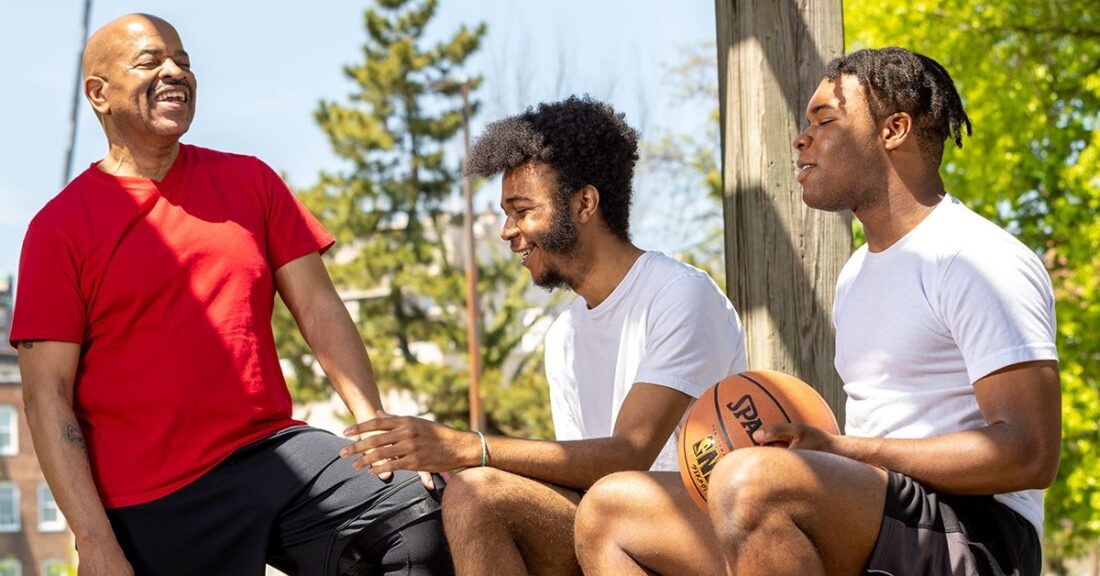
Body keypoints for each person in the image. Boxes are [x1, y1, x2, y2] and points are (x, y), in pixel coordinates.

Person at [575, 47, 1060, 576]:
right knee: (611, 508)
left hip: (976, 534)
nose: (801, 138)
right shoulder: (856, 274)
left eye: (825, 120)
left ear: (893, 129)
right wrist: (833, 457)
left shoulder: (976, 258)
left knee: (751, 481)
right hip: (876, 512)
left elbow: (1030, 451)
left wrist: (846, 452)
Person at [11, 14, 451, 576]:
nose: (174, 72)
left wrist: (374, 423)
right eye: (151, 62)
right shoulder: (59, 229)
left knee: (417, 518)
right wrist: (94, 541)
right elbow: (46, 394)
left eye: (184, 62)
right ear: (98, 93)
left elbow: (319, 308)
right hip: (148, 495)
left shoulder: (251, 182)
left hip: (269, 453)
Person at [338, 95, 749, 575]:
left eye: (522, 210)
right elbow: (581, 480)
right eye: (506, 213)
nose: (507, 231)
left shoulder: (678, 294)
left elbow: (629, 452)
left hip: (701, 531)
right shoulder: (565, 336)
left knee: (610, 500)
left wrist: (468, 446)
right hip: (607, 522)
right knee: (475, 494)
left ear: (584, 203)